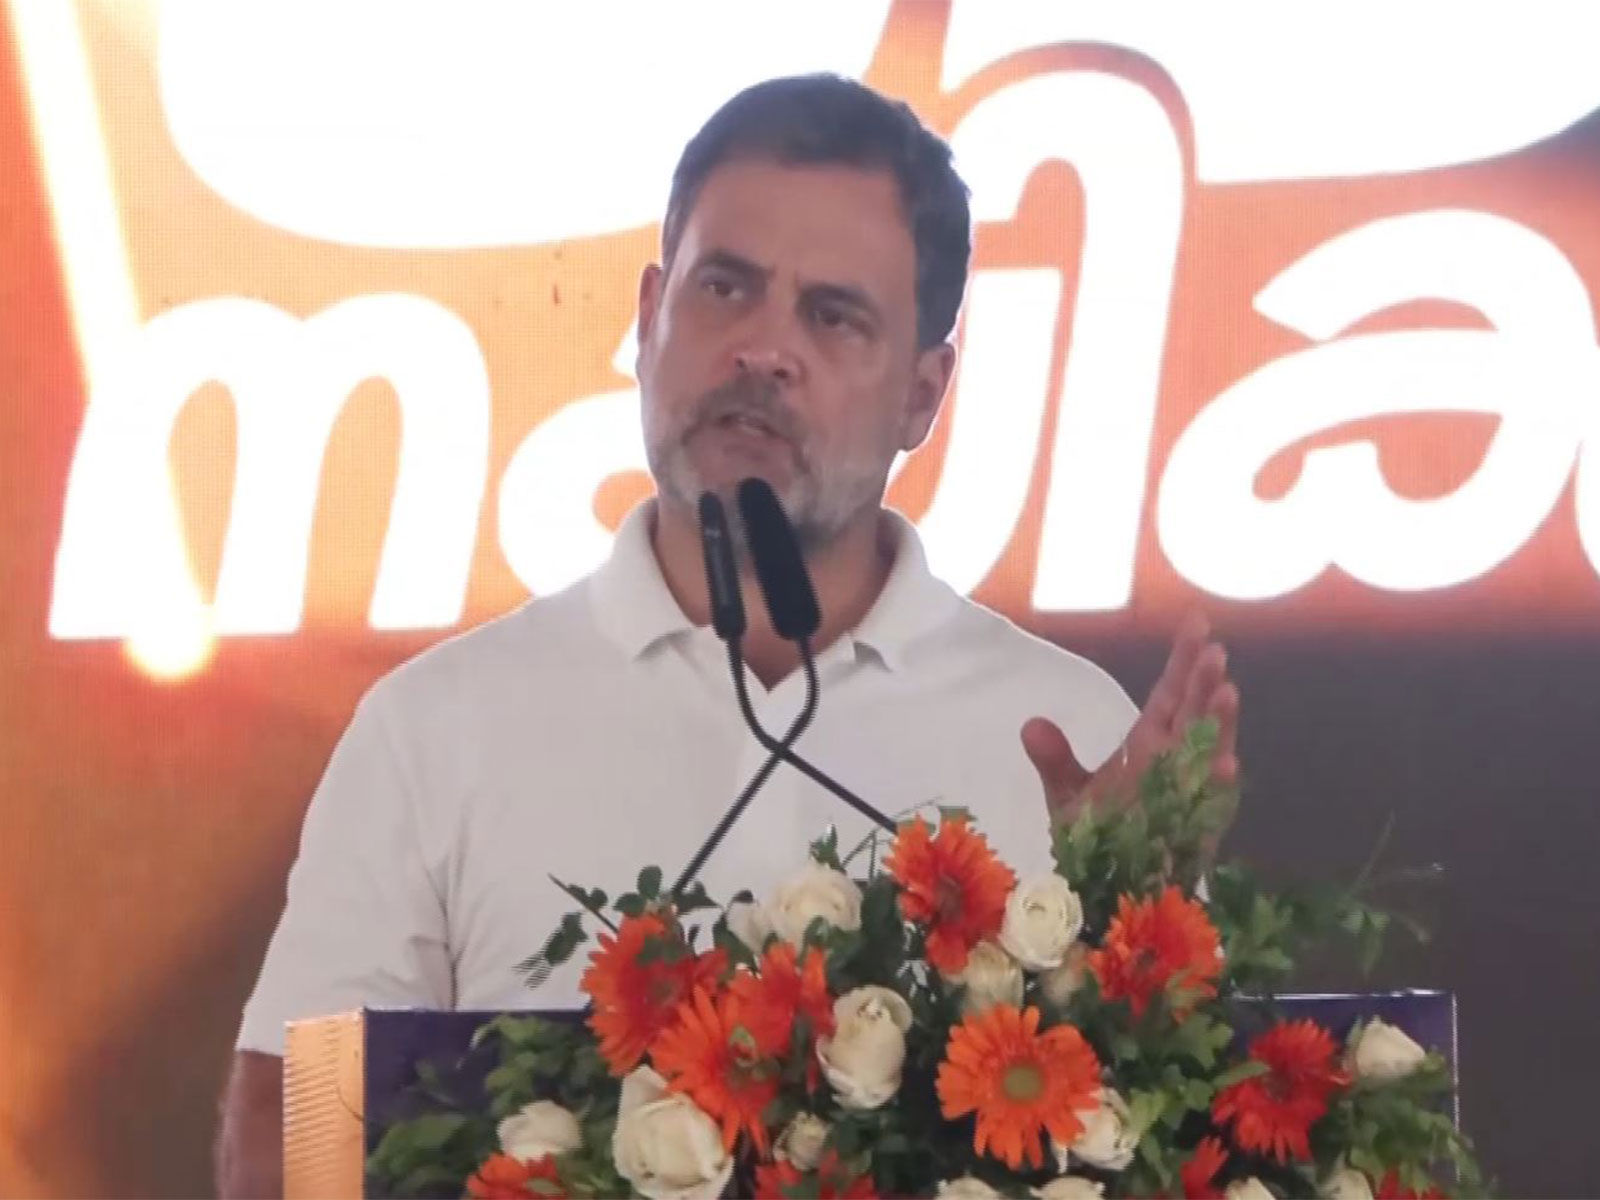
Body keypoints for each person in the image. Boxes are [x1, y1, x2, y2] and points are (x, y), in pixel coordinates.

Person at [214, 73, 1239, 1197]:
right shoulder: (435, 728)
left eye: (832, 315)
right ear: (650, 317)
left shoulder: (1065, 733)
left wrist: (1120, 917)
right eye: (725, 288)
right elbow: (289, 1136)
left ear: (923, 393)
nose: (762, 349)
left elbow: (1175, 1140)